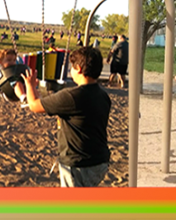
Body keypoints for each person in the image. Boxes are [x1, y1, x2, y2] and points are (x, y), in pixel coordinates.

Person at [21, 47, 111, 187]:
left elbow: (34, 106)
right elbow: (47, 103)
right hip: (100, 161)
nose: (70, 71)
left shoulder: (71, 96)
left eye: (71, 68)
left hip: (78, 164)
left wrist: (29, 85)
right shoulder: (103, 95)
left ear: (79, 69)